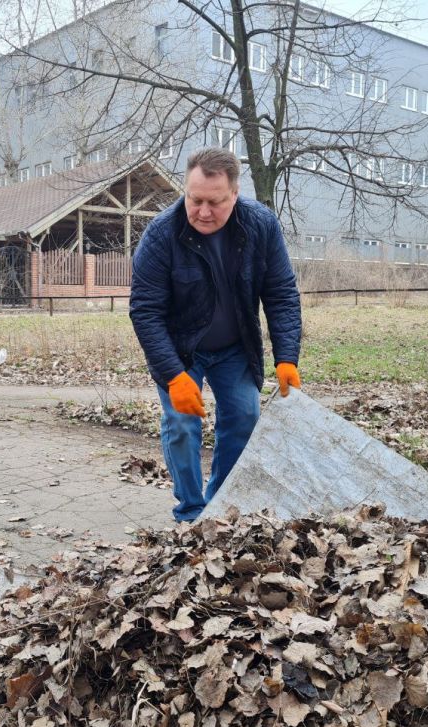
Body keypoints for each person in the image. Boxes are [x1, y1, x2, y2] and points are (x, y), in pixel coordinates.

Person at [129, 147, 302, 523]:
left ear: (235, 194)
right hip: (180, 350)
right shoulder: (161, 235)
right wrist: (173, 375)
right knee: (181, 424)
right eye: (195, 200)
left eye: (215, 202)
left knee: (244, 416)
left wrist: (287, 357)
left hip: (234, 347)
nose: (203, 212)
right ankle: (191, 511)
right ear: (185, 192)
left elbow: (281, 293)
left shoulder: (260, 225)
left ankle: (220, 505)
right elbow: (145, 311)